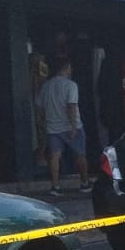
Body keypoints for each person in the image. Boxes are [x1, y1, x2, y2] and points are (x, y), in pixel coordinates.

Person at [36, 57, 91, 196]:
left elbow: (39, 107)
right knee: (80, 155)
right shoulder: (71, 85)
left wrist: (44, 122)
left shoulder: (46, 86)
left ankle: (55, 186)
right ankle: (85, 182)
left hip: (53, 127)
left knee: (54, 156)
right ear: (66, 67)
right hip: (71, 126)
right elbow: (71, 105)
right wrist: (73, 125)